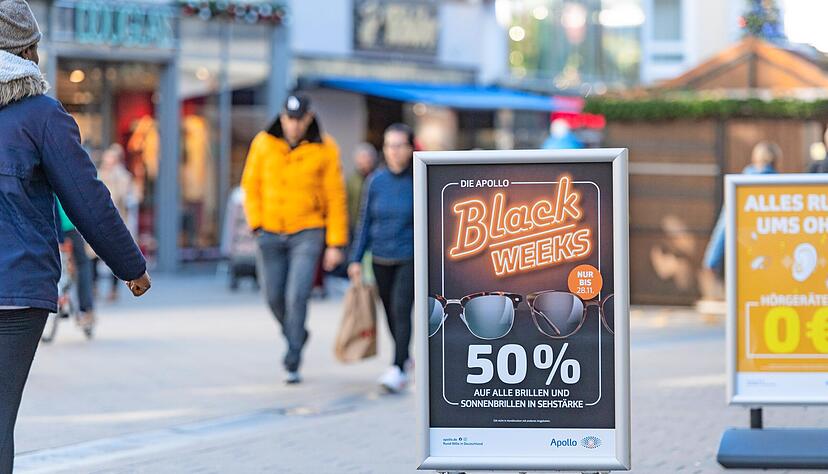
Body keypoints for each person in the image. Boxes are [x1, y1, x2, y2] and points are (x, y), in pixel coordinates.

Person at [0, 2, 151, 472]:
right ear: (29, 50)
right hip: (16, 291)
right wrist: (132, 268)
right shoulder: (42, 115)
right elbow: (88, 199)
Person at [241, 93, 347, 384]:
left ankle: (293, 356)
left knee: (297, 295)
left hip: (308, 230)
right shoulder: (263, 142)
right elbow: (250, 185)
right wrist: (256, 224)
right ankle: (297, 332)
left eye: (300, 120)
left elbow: (335, 196)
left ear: (309, 118)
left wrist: (336, 243)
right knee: (273, 296)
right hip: (270, 231)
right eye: (289, 119)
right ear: (282, 117)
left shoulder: (325, 147)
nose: (294, 126)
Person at [348, 123, 415, 393]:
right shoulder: (375, 181)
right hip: (380, 257)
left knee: (401, 308)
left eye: (400, 145)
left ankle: (397, 367)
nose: (394, 151)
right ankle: (404, 356)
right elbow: (365, 221)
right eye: (389, 145)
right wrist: (355, 258)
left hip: (409, 256)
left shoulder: (418, 178)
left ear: (410, 148)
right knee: (388, 310)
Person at [704, 141, 780, 276]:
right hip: (774, 258)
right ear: (776, 160)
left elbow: (724, 225)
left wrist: (711, 260)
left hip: (744, 255)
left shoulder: (740, 188)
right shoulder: (782, 187)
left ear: (755, 159)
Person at [96, 144, 136, 301]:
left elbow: (125, 196)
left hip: (116, 220)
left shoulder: (123, 176)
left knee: (115, 255)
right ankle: (94, 286)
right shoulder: (98, 174)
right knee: (93, 255)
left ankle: (114, 289)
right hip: (99, 220)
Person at [346, 143, 379, 234]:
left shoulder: (378, 179)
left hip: (375, 226)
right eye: (361, 160)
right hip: (356, 226)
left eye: (367, 160)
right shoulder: (351, 181)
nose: (364, 164)